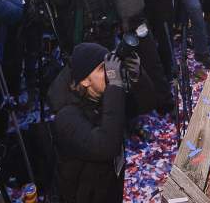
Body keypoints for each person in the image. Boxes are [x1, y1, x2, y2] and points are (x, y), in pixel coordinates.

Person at [48, 41, 154, 203]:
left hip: (108, 188)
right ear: (85, 81)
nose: (110, 72)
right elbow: (105, 147)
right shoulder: (66, 118)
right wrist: (115, 84)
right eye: (102, 68)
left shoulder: (102, 96)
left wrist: (137, 75)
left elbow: (146, 104)